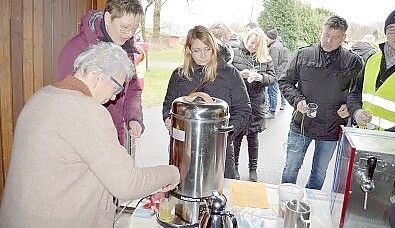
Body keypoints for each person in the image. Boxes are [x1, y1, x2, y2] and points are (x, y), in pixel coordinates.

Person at [0, 42, 180, 228]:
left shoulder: (41, 96)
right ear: (96, 77)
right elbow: (128, 184)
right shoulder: (87, 110)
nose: (113, 98)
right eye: (117, 89)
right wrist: (172, 173)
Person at [279, 15, 363, 190]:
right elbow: (285, 82)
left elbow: (359, 93)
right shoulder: (303, 53)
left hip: (331, 127)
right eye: (325, 35)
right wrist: (297, 100)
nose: (328, 41)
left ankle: (308, 207)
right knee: (290, 169)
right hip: (301, 124)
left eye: (335, 37)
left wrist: (350, 107)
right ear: (321, 31)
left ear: (344, 37)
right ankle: (285, 202)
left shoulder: (354, 61)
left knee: (319, 173)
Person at [162, 25, 251, 179]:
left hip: (219, 150)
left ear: (213, 48)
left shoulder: (230, 74)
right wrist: (168, 118)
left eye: (207, 49)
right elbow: (168, 104)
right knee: (183, 191)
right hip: (184, 150)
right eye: (197, 50)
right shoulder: (179, 75)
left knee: (220, 192)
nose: (203, 55)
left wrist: (225, 134)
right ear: (189, 51)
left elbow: (243, 109)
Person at [58, 0, 144, 146]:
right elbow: (70, 105)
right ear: (108, 18)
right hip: (87, 139)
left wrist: (134, 117)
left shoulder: (125, 49)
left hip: (115, 134)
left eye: (134, 28)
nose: (129, 34)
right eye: (125, 26)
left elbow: (133, 90)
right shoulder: (75, 50)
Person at [348, 7, 395, 135]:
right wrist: (356, 112)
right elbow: (355, 94)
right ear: (385, 33)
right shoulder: (372, 60)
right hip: (366, 139)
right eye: (391, 29)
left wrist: (392, 134)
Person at [232, 27, 276, 181]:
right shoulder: (235, 53)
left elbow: (272, 78)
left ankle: (253, 170)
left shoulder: (265, 58)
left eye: (257, 45)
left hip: (256, 103)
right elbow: (226, 74)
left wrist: (260, 77)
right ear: (246, 40)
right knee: (236, 137)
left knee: (253, 138)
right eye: (251, 43)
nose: (253, 47)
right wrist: (239, 75)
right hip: (238, 102)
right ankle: (234, 168)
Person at [265, 29, 289, 119]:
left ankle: (271, 111)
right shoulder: (279, 44)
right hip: (279, 72)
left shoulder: (274, 47)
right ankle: (280, 105)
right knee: (276, 90)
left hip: (275, 74)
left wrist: (271, 74)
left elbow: (273, 63)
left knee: (272, 92)